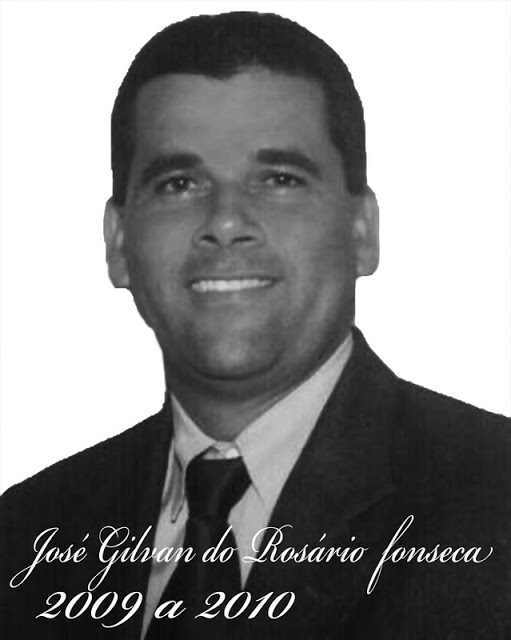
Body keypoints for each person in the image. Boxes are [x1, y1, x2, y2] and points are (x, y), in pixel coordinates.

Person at [0, 11, 509, 640]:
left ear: (362, 232)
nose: (226, 221)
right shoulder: (25, 536)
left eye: (279, 179)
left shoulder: (497, 505)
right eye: (179, 183)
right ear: (118, 243)